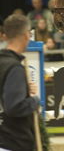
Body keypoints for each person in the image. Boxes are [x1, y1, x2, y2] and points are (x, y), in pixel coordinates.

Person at [0, 14, 41, 150]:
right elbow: (15, 107)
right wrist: (34, 100)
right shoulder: (15, 68)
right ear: (26, 35)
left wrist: (22, 89)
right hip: (14, 141)